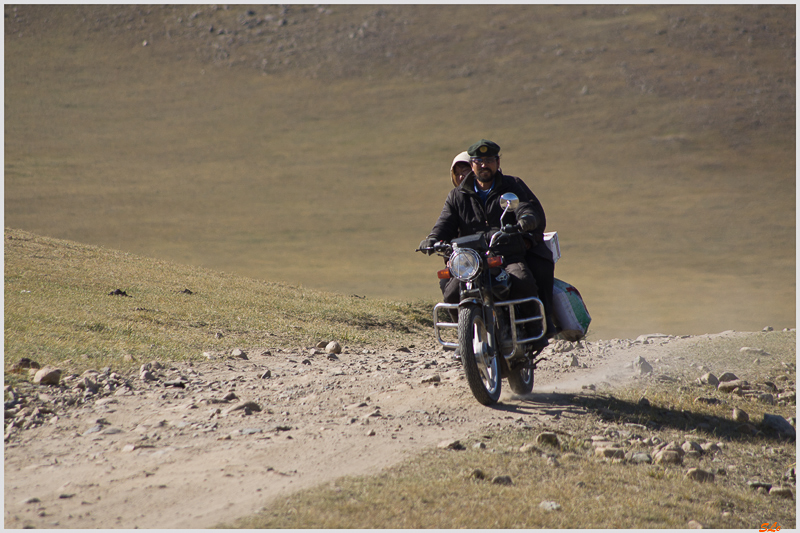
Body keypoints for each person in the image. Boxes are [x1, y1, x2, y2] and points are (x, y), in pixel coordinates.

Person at [421, 139, 548, 349]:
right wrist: (432, 239)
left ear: (497, 162)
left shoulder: (512, 185)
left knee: (522, 280)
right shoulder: (457, 195)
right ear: (472, 164)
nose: (483, 165)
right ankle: (465, 341)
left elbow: (526, 208)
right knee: (452, 292)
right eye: (478, 161)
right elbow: (444, 223)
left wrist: (525, 220)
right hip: (471, 260)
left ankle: (533, 333)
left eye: (489, 160)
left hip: (506, 255)